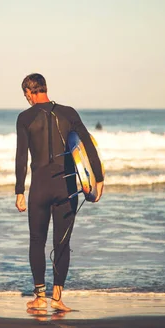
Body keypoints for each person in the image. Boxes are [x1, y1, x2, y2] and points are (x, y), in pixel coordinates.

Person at [14, 73, 104, 312]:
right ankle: (57, 298)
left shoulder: (24, 118)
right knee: (62, 243)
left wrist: (19, 190)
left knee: (37, 241)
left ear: (30, 92)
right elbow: (88, 147)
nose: (27, 100)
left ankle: (40, 297)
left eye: (26, 96)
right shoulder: (69, 113)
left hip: (39, 189)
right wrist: (99, 179)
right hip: (67, 189)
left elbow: (21, 156)